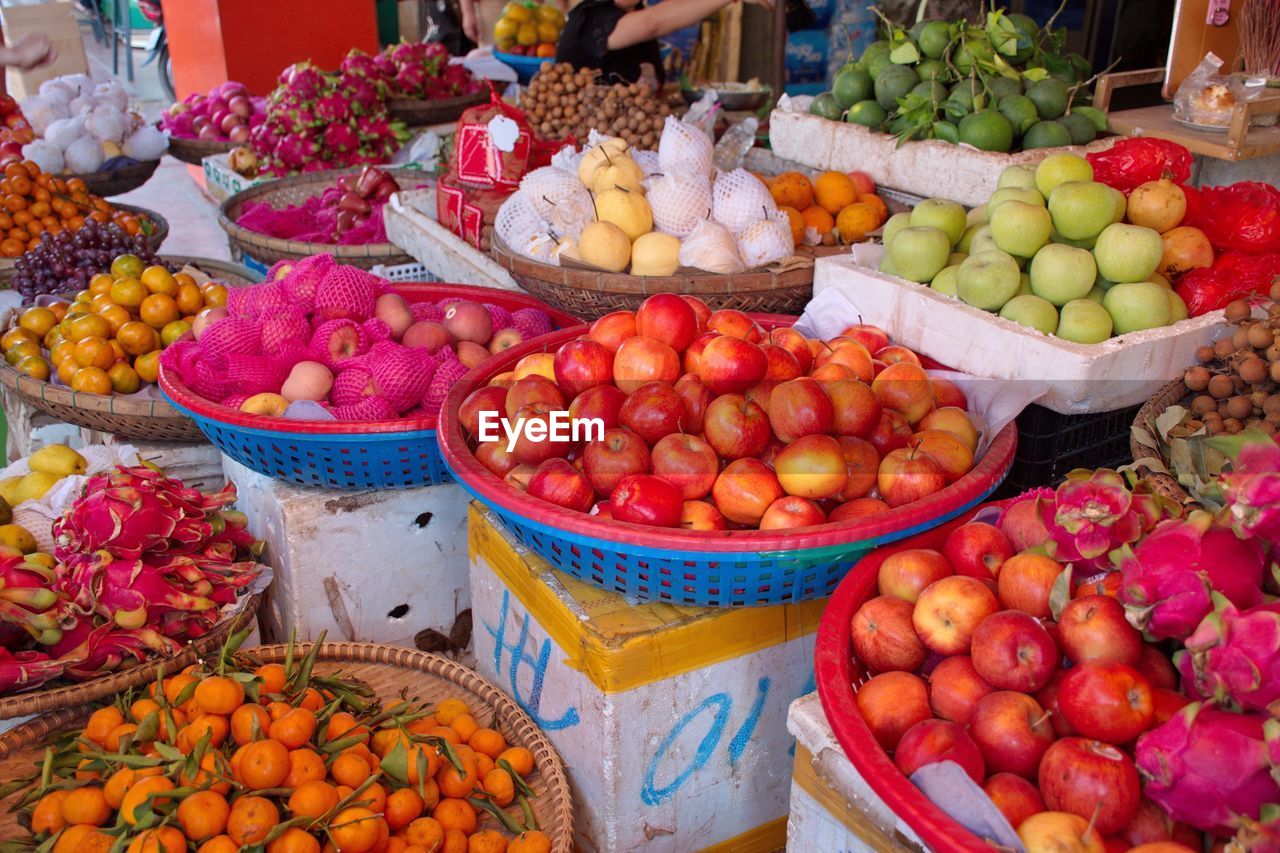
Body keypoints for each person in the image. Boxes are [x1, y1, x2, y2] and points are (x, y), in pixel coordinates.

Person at [557, 0, 774, 85]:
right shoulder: (590, 18)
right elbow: (652, 23)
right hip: (588, 155)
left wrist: (688, 92)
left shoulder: (636, 12)